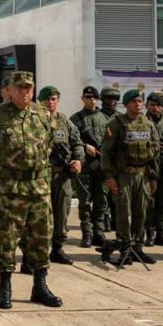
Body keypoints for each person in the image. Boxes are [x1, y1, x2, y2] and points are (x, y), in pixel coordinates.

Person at [0, 71, 62, 309]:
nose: (25, 92)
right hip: (11, 186)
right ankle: (5, 286)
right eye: (20, 88)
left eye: (29, 88)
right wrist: (9, 166)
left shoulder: (43, 114)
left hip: (38, 186)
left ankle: (40, 286)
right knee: (7, 236)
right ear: (10, 90)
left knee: (42, 236)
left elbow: (49, 144)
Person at [102, 89, 159, 266]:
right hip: (124, 176)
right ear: (126, 104)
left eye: (140, 101)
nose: (138, 104)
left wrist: (154, 177)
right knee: (123, 213)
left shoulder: (148, 124)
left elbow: (155, 153)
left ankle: (138, 248)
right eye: (134, 102)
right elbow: (106, 153)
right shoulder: (116, 124)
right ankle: (125, 249)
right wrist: (109, 177)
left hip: (143, 175)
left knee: (141, 213)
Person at [38, 85, 83, 267]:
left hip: (61, 175)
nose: (50, 103)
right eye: (47, 99)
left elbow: (77, 143)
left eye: (54, 99)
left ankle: (57, 249)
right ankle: (37, 252)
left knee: (62, 212)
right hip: (41, 176)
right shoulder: (35, 121)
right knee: (40, 214)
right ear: (40, 102)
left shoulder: (64, 121)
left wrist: (78, 160)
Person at [71, 86, 110, 248]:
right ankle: (87, 234)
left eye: (94, 97)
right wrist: (84, 146)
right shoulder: (75, 119)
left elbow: (111, 141)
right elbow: (70, 140)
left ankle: (99, 233)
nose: (91, 99)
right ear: (82, 99)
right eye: (88, 97)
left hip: (101, 165)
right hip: (85, 165)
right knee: (85, 201)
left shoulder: (105, 118)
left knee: (101, 200)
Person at [143, 92, 163, 248]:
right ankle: (149, 233)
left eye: (159, 105)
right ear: (146, 106)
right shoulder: (141, 121)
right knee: (149, 202)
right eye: (152, 105)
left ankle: (161, 232)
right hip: (148, 167)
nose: (155, 108)